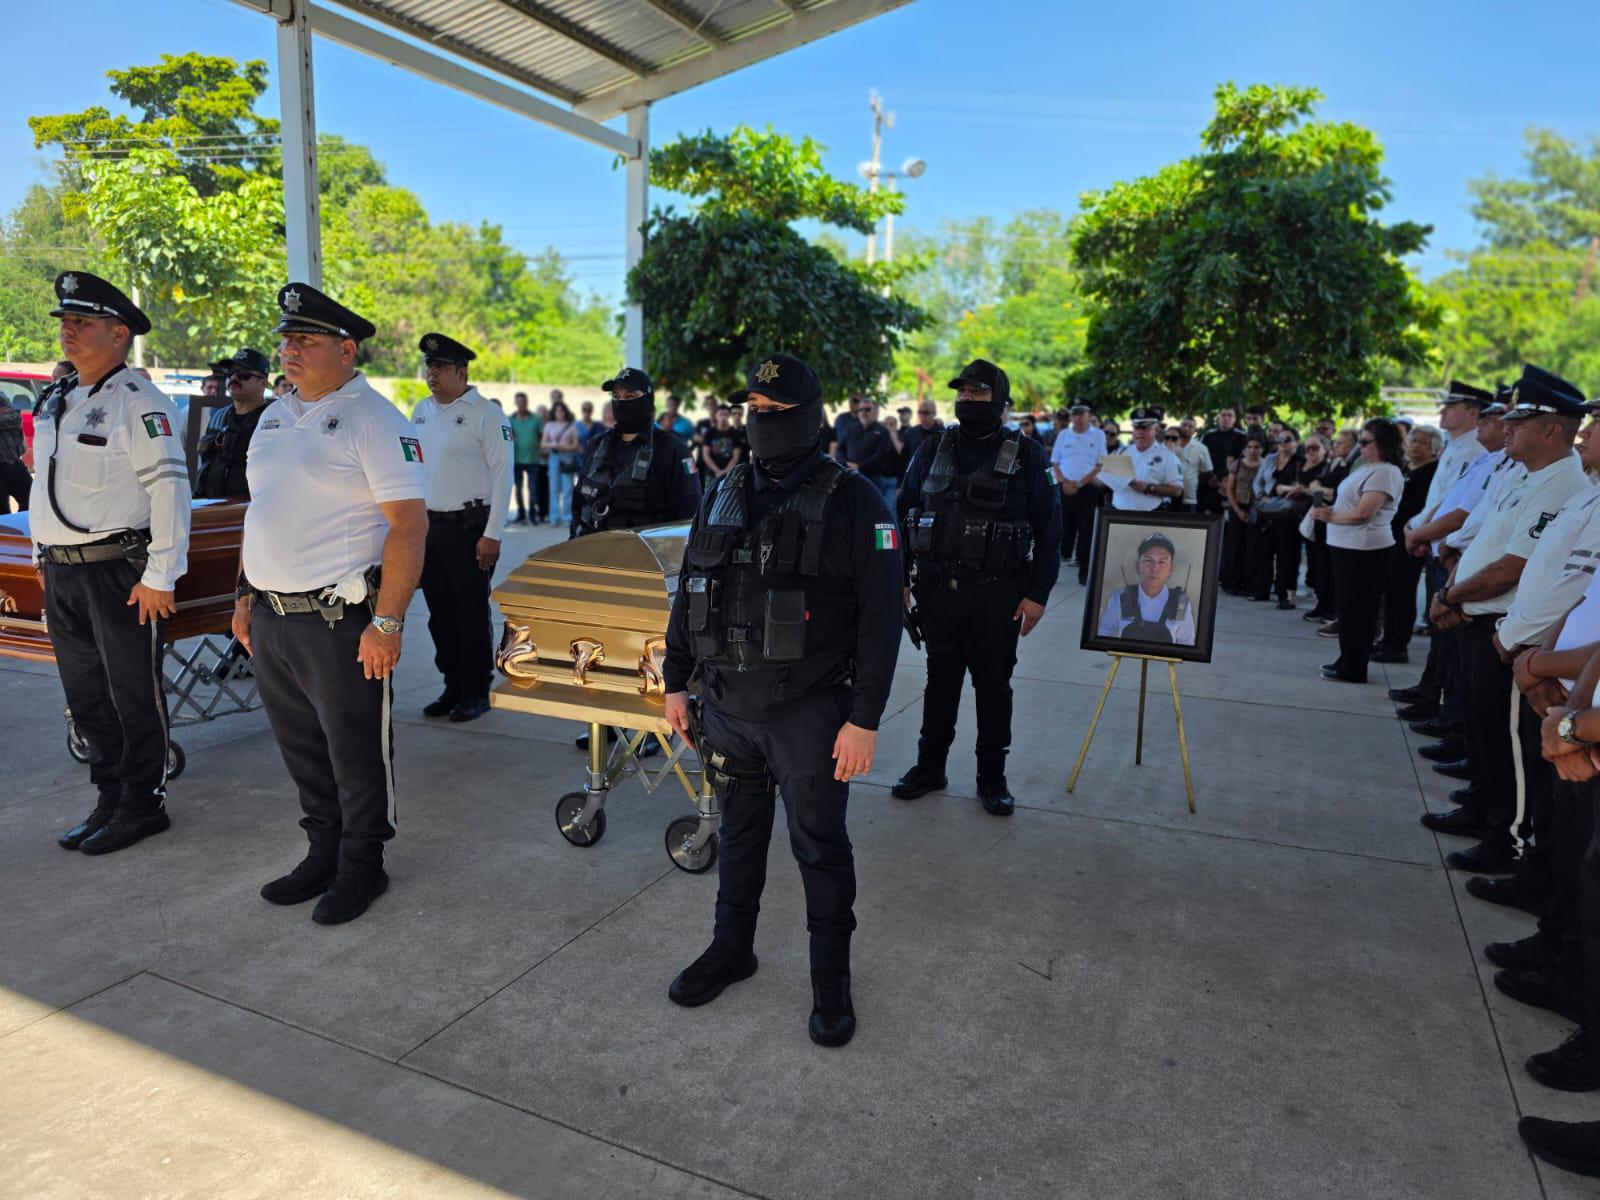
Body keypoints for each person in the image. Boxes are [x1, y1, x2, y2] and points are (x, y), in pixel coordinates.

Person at [659, 352, 902, 1049]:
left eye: (775, 412)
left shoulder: (858, 501)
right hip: (727, 709)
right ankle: (732, 950)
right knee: (738, 837)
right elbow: (691, 589)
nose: (760, 423)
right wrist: (677, 682)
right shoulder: (725, 489)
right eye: (753, 411)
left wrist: (864, 719)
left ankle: (831, 985)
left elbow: (882, 620)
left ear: (810, 416)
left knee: (820, 851)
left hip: (810, 716)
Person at [232, 282, 427, 925]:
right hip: (271, 616)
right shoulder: (273, 415)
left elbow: (408, 527)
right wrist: (243, 594)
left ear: (346, 350)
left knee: (354, 749)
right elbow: (262, 511)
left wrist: (388, 622)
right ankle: (322, 851)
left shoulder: (376, 419)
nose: (288, 350)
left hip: (340, 620)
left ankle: (363, 864)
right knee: (301, 747)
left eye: (305, 340)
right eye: (286, 339)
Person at [31, 270, 190, 855]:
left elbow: (171, 491)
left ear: (119, 333)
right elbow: (43, 486)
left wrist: (161, 575)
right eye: (66, 322)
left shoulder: (140, 402)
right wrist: (42, 555)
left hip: (119, 572)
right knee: (86, 693)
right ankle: (109, 795)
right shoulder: (59, 397)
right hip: (64, 570)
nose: (69, 331)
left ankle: (144, 803)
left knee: (131, 691)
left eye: (83, 322)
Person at [1424, 368, 1592, 874]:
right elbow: (1485, 541)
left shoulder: (1563, 484)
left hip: (1510, 633)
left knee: (1511, 755)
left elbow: (1514, 568)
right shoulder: (1525, 475)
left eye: (1520, 421)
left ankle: (1506, 840)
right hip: (1488, 622)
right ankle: (1484, 811)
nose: (1507, 428)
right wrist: (1453, 590)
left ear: (1551, 431)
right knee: (1485, 736)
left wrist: (1456, 595)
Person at [891, 359, 1061, 814]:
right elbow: (902, 511)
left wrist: (1038, 594)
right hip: (937, 591)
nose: (967, 400)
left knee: (992, 687)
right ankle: (930, 767)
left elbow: (1050, 528)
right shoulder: (933, 448)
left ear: (1000, 403)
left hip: (998, 593)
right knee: (939, 683)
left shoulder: (1027, 455)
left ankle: (992, 778)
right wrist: (898, 578)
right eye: (962, 393)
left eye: (977, 394)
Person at [409, 333, 512, 725]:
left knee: (469, 612)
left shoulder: (485, 413)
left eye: (439, 367)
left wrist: (493, 533)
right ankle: (452, 684)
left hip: (469, 527)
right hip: (430, 527)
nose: (431, 373)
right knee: (439, 613)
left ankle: (476, 689)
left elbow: (504, 476)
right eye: (429, 366)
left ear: (461, 371)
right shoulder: (421, 411)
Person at [1311, 419, 1406, 683]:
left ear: (1383, 444)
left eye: (1366, 442)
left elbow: (1364, 513)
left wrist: (1330, 517)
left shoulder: (1386, 471)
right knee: (1349, 609)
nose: (1360, 447)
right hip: (1349, 546)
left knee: (1359, 610)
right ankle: (1347, 660)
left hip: (1365, 548)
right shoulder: (1370, 468)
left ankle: (1354, 667)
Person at [571, 367, 700, 538]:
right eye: (616, 396)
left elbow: (690, 509)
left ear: (647, 400)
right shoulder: (596, 445)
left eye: (630, 397)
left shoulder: (673, 449)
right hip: (591, 551)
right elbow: (579, 503)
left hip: (644, 557)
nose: (621, 402)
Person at [1372, 424, 1441, 662]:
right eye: (1414, 440)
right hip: (1389, 535)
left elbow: (1417, 507)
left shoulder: (1432, 472)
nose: (1416, 446)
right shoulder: (1403, 469)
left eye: (1423, 442)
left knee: (1402, 592)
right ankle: (1387, 639)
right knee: (1389, 590)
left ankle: (1399, 645)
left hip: (1408, 537)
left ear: (1434, 448)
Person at [194, 348, 274, 500]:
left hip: (250, 514)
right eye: (230, 373)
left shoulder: (273, 420)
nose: (234, 378)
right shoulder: (218, 417)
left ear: (263, 382)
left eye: (243, 375)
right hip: (209, 510)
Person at [1096, 532, 1196, 645]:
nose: (1154, 568)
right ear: (1138, 565)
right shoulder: (1121, 597)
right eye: (1148, 560)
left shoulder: (1180, 604)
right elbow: (1104, 632)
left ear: (1170, 569)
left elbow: (1186, 642)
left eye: (1162, 562)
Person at [1050, 402, 1107, 584]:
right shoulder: (1064, 434)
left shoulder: (1098, 435)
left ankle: (1084, 572)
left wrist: (1080, 483)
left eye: (1081, 413)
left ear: (1089, 415)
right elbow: (1055, 463)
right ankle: (1053, 569)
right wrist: (1065, 482)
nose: (1077, 417)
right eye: (1074, 413)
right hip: (1064, 487)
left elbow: (1100, 465)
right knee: (1060, 528)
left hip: (1087, 488)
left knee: (1086, 530)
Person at [1252, 427, 1305, 607]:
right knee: (1263, 552)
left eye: (1287, 439)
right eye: (1280, 440)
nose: (1282, 443)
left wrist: (1281, 495)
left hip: (1288, 514)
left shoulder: (1301, 462)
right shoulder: (1269, 459)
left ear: (1296, 442)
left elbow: (1300, 488)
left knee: (1287, 555)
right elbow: (1258, 481)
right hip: (1266, 510)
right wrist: (1261, 497)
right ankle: (1261, 591)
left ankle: (1284, 594)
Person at [1107, 407, 1183, 512]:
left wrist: (1149, 488)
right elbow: (1103, 484)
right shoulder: (1120, 453)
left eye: (1145, 428)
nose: (1140, 432)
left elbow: (1177, 490)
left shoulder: (1168, 456)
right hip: (1117, 514)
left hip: (1150, 517)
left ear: (1156, 430)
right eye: (1136, 428)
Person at [1221, 436, 1266, 594]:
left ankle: (1250, 584)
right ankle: (1231, 583)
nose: (1253, 450)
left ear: (1261, 449)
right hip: (1237, 506)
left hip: (1258, 508)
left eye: (1257, 447)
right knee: (1234, 546)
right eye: (1250, 447)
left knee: (1253, 547)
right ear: (1245, 449)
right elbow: (1229, 488)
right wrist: (1238, 510)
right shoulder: (1238, 464)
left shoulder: (1265, 465)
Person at [843, 398, 897, 504]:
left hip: (873, 478)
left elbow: (882, 454)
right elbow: (840, 448)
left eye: (867, 409)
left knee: (871, 508)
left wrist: (859, 466)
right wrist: (844, 464)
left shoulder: (882, 431)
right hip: (850, 476)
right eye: (861, 410)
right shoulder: (851, 429)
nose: (863, 412)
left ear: (875, 411)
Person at [1199, 404, 1247, 515]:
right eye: (1223, 415)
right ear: (1219, 418)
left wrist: (1222, 480)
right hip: (1209, 481)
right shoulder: (1208, 436)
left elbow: (1241, 461)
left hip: (1231, 483)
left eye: (1229, 415)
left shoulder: (1241, 438)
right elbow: (1201, 459)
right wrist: (1210, 477)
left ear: (1234, 419)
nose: (1226, 418)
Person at [507, 392, 545, 524]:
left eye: (523, 402)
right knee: (518, 488)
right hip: (516, 459)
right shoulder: (510, 419)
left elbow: (542, 437)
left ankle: (533, 514)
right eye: (519, 402)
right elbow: (507, 439)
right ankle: (521, 514)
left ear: (527, 402)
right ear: (516, 403)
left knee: (532, 488)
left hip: (533, 459)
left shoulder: (536, 419)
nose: (521, 404)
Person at [541, 399, 580, 525]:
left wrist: (564, 446)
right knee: (553, 488)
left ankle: (567, 516)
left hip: (567, 458)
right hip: (554, 457)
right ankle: (554, 516)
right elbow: (543, 443)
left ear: (565, 411)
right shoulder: (549, 425)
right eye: (557, 410)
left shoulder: (571, 425)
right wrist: (554, 444)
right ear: (554, 412)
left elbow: (575, 444)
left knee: (568, 488)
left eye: (561, 410)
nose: (559, 413)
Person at [1174, 418, 1212, 515]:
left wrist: (1194, 482)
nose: (1186, 428)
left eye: (1190, 426)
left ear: (1194, 431)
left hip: (1189, 498)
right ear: (1179, 426)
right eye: (1184, 425)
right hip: (1166, 496)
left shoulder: (1201, 448)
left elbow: (1207, 472)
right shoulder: (1168, 445)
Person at [0, 392, 29, 512]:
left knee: (32, 501)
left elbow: (16, 417)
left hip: (16, 465)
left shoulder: (1, 396)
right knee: (3, 513)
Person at [900, 400, 943, 472]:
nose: (922, 416)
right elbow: (904, 457)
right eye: (920, 412)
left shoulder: (942, 433)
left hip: (933, 477)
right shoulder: (911, 432)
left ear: (934, 413)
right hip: (913, 475)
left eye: (926, 413)